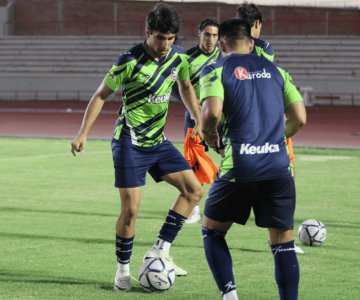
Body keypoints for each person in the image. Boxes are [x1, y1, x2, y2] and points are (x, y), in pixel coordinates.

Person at [70, 3, 204, 291]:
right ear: (147, 33)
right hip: (129, 144)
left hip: (158, 143)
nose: (166, 44)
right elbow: (100, 96)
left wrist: (198, 118)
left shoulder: (179, 58)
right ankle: (122, 269)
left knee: (194, 191)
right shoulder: (128, 60)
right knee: (131, 211)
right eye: (160, 38)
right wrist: (83, 134)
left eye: (171, 38)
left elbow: (187, 87)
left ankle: (159, 249)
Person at [200, 19, 306, 300]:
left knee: (212, 231)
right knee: (282, 242)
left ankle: (230, 295)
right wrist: (277, 139)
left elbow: (211, 113)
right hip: (278, 166)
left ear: (222, 44)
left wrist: (208, 134)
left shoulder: (215, 69)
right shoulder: (276, 70)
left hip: (240, 166)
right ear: (251, 42)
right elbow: (300, 118)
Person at [237, 1, 304, 254]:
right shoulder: (264, 48)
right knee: (283, 177)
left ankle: (214, 230)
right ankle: (281, 238)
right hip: (270, 125)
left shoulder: (229, 50)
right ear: (257, 24)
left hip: (244, 126)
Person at [182, 18, 221, 224]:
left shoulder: (221, 56)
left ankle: (221, 203)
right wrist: (194, 107)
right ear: (199, 33)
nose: (211, 39)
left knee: (228, 155)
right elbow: (177, 88)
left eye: (215, 35)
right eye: (207, 34)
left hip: (219, 117)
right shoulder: (187, 58)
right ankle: (194, 207)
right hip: (194, 118)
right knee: (192, 163)